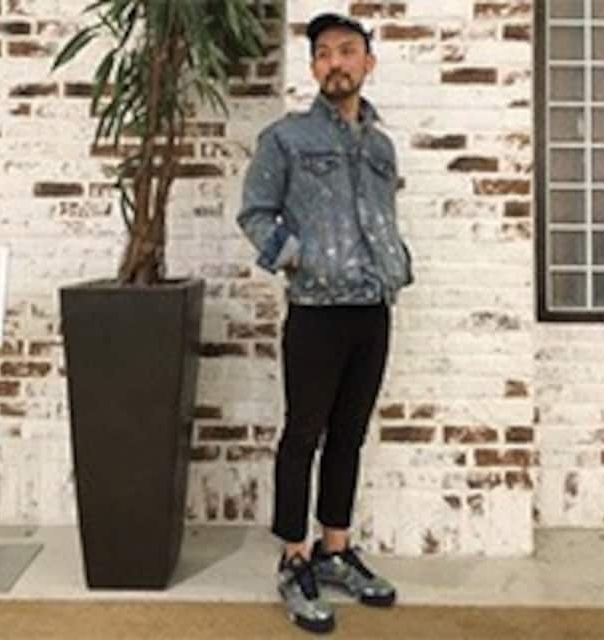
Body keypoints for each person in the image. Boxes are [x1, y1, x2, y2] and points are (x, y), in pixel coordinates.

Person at [237, 11, 413, 634]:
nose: (336, 62)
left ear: (368, 62)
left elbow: (380, 216)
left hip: (373, 308)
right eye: (324, 54)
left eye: (347, 50)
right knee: (302, 435)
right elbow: (255, 213)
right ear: (314, 68)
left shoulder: (381, 146)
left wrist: (396, 263)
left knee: (349, 435)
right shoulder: (285, 138)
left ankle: (335, 548)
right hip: (315, 312)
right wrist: (298, 258)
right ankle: (294, 557)